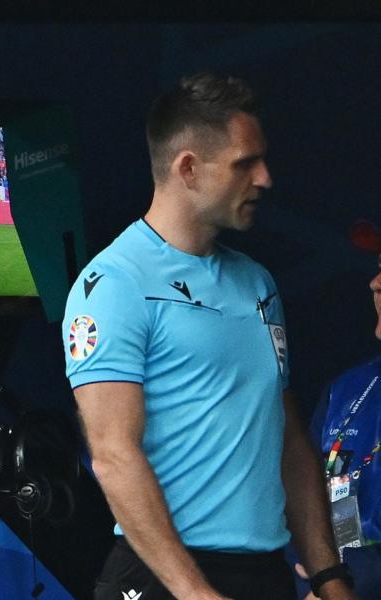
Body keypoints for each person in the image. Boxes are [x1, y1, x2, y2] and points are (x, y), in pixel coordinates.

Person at [62, 73, 356, 599]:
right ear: (188, 168)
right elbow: (112, 455)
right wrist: (196, 595)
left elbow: (285, 435)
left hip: (263, 576)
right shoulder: (114, 284)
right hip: (161, 581)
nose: (265, 178)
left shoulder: (258, 283)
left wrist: (329, 575)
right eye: (246, 163)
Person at [293, 219, 381, 599]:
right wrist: (322, 578)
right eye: (378, 267)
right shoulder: (347, 390)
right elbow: (304, 494)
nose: (376, 284)